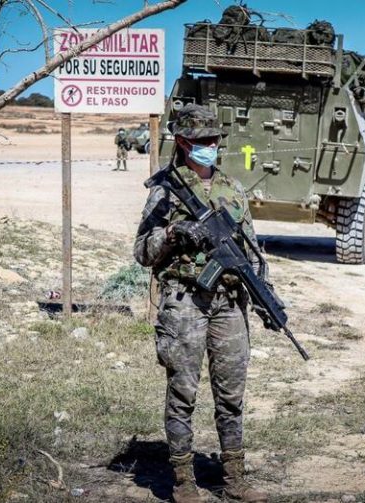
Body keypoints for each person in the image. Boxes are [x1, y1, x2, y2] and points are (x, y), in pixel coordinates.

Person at [133, 104, 267, 503]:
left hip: (228, 303)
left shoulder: (232, 188)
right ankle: (183, 481)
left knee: (231, 394)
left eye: (215, 140)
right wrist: (172, 234)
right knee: (183, 391)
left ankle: (234, 478)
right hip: (185, 302)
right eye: (204, 141)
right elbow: (142, 251)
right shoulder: (166, 190)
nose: (212, 146)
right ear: (183, 143)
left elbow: (252, 250)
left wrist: (263, 296)